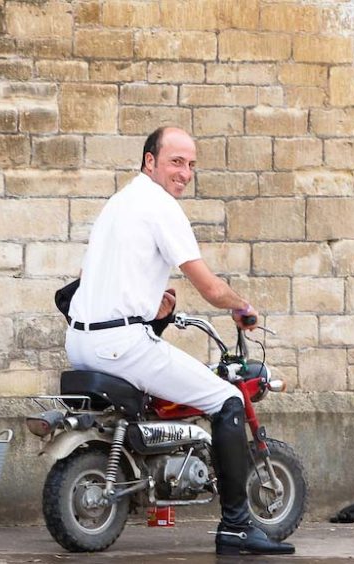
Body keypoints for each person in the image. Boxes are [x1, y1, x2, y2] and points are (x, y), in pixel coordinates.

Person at [64, 126, 294, 556]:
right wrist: (241, 308)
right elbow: (209, 287)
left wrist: (154, 306)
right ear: (149, 161)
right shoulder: (159, 207)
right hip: (121, 343)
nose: (184, 172)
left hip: (81, 339)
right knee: (227, 401)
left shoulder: (119, 203)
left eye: (191, 165)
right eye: (175, 161)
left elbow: (102, 281)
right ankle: (237, 526)